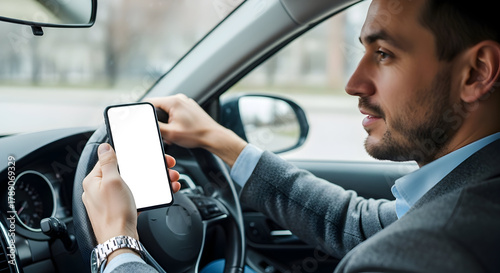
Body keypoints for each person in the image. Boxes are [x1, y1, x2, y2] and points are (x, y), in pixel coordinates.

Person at [82, 0, 500, 272]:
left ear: (476, 72)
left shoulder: (416, 255)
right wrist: (219, 140)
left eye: (385, 54)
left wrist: (117, 243)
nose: (354, 83)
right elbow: (354, 224)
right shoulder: (471, 192)